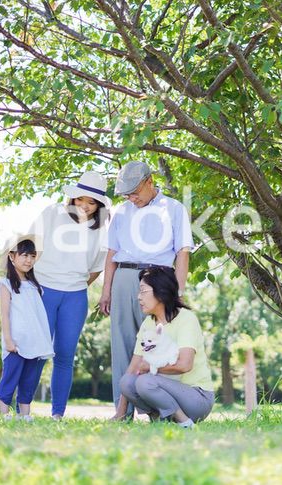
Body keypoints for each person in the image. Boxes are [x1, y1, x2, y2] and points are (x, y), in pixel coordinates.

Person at [98, 160, 193, 416]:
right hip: (123, 277)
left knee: (158, 345)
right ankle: (121, 411)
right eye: (126, 193)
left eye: (135, 191)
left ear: (149, 181)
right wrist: (106, 289)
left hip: (158, 279)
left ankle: (159, 411)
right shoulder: (120, 211)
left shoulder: (174, 208)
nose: (131, 197)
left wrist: (179, 293)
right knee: (123, 345)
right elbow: (112, 252)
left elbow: (182, 253)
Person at [29, 171, 111, 420]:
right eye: (81, 199)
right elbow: (30, 246)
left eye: (91, 202)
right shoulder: (52, 213)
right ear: (73, 197)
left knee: (65, 355)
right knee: (37, 353)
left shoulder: (100, 228)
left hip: (75, 296)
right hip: (44, 290)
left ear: (98, 205)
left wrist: (73, 283)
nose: (85, 206)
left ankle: (57, 414)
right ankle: (23, 409)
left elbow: (97, 268)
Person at [114, 267, 214, 427]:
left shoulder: (186, 319)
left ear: (161, 292)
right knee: (127, 381)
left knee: (145, 382)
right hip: (165, 390)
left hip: (197, 398)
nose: (138, 297)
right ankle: (160, 419)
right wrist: (120, 412)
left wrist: (152, 366)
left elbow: (185, 365)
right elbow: (133, 369)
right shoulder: (148, 323)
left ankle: (184, 421)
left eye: (143, 291)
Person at [0, 234, 54, 422]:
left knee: (29, 381)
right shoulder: (4, 284)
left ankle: (25, 415)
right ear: (12, 257)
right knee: (11, 377)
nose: (29, 260)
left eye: (32, 256)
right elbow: (4, 314)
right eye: (24, 255)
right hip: (16, 342)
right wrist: (8, 340)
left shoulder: (35, 286)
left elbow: (37, 317)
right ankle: (4, 415)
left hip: (35, 342)